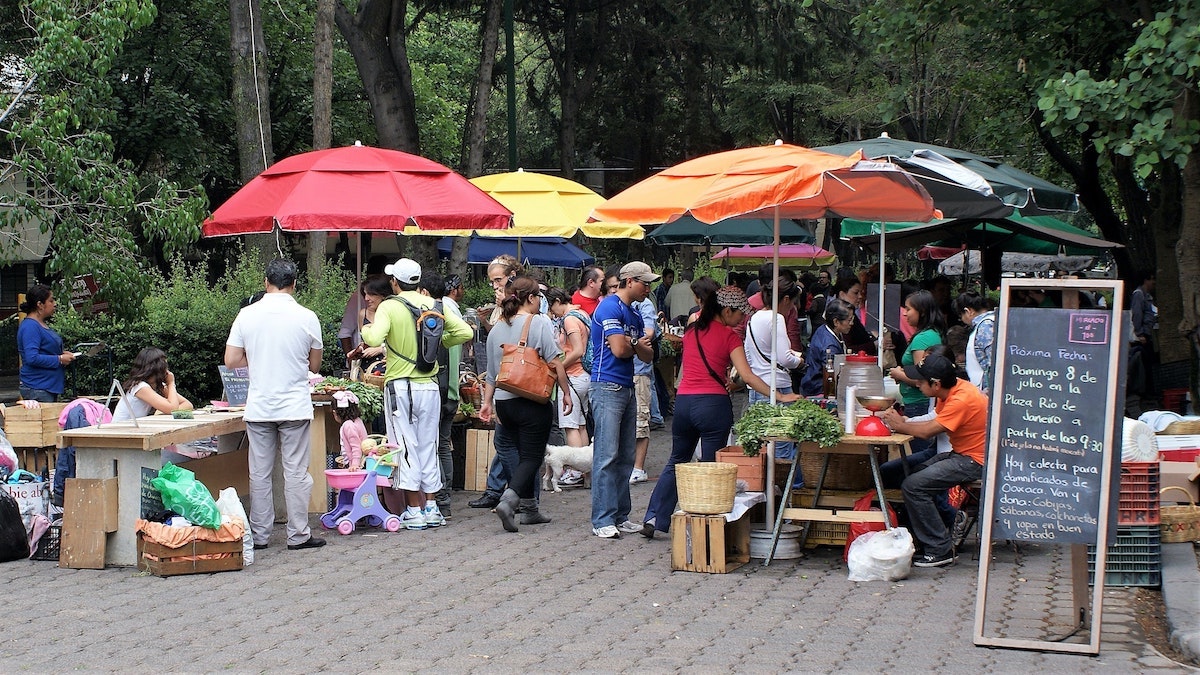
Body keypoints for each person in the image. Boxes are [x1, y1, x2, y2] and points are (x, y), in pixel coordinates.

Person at [641, 286, 800, 537]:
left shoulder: (692, 331)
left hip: (684, 404)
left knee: (676, 461)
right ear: (727, 311)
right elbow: (747, 376)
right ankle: (704, 527)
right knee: (709, 466)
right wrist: (779, 395)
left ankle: (654, 517)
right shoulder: (729, 337)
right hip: (713, 406)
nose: (742, 319)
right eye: (740, 315)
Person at [361, 258, 472, 530]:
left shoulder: (390, 306)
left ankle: (413, 510)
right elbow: (465, 331)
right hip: (431, 385)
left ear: (395, 282)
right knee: (429, 445)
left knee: (405, 446)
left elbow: (374, 339)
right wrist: (443, 341)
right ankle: (432, 507)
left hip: (401, 386)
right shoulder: (436, 303)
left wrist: (366, 326)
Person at [224, 259, 325, 551]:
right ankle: (298, 534)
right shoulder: (307, 316)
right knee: (295, 472)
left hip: (260, 406)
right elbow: (314, 365)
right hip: (294, 405)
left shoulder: (246, 315)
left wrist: (254, 360)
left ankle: (260, 536)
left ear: (266, 282)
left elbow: (231, 361)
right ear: (294, 284)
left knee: (259, 473)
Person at [478, 276, 573, 532]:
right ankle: (509, 500)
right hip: (532, 400)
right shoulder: (537, 322)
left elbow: (491, 372)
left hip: (504, 402)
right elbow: (554, 362)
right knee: (531, 457)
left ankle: (530, 510)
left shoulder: (496, 328)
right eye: (538, 298)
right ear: (531, 298)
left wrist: (487, 403)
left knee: (509, 448)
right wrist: (565, 392)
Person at [879, 354, 988, 567]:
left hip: (974, 461)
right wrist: (905, 421)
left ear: (936, 384)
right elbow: (934, 420)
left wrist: (900, 425)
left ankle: (940, 549)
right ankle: (943, 523)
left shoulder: (961, 399)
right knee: (905, 472)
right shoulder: (950, 390)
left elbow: (929, 431)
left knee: (913, 486)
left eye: (921, 381)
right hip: (961, 453)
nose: (917, 384)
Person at [589, 261, 657, 539]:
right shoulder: (609, 307)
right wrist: (633, 344)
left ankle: (621, 515)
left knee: (626, 456)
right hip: (607, 386)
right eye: (645, 283)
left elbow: (648, 354)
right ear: (629, 281)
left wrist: (632, 345)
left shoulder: (634, 314)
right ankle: (602, 519)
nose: (648, 289)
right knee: (606, 455)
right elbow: (619, 349)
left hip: (626, 386)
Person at [743, 280, 805, 479]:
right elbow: (784, 357)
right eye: (793, 302)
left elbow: (749, 353)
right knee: (781, 450)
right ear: (786, 299)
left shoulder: (754, 318)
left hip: (757, 387)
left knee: (761, 449)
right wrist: (799, 360)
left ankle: (766, 498)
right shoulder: (776, 318)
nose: (793, 308)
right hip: (777, 387)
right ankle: (780, 501)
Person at [887, 289, 946, 458]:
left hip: (919, 403)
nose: (904, 314)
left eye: (908, 309)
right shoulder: (930, 334)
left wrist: (899, 375)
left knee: (921, 453)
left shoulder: (923, 338)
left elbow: (923, 378)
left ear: (922, 312)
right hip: (918, 402)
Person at [546, 288, 590, 448]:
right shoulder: (582, 314)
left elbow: (578, 351)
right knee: (581, 424)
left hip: (574, 376)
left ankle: (574, 469)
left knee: (570, 426)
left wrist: (559, 368)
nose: (553, 314)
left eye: (551, 308)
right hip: (585, 375)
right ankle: (584, 469)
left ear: (557, 301)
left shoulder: (569, 319)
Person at [17, 284, 75, 402]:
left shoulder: (39, 324)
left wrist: (62, 354)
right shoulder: (30, 327)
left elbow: (44, 349)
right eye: (51, 300)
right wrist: (59, 359)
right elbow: (32, 358)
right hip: (38, 387)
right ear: (40, 305)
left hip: (46, 386)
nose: (55, 304)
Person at [111, 347, 193, 422]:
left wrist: (161, 414)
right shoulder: (140, 387)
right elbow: (172, 408)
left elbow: (187, 405)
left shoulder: (156, 385)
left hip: (133, 428)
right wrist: (171, 383)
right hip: (121, 431)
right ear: (158, 367)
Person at [630, 293, 658, 484]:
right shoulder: (615, 303)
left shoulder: (645, 305)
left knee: (641, 419)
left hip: (639, 368)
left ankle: (638, 468)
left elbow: (648, 333)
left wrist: (625, 340)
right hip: (621, 370)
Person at [800, 298, 856, 396]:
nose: (852, 323)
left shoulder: (824, 329)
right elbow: (833, 374)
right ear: (836, 322)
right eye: (849, 320)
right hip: (819, 390)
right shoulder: (830, 345)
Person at [954, 292, 996, 393]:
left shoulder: (985, 326)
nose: (963, 320)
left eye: (961, 317)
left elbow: (993, 361)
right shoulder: (991, 321)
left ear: (968, 311)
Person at [332, 390, 368, 471]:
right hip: (360, 461)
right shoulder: (357, 420)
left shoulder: (348, 425)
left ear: (335, 413)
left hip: (356, 465)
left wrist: (355, 464)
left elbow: (356, 447)